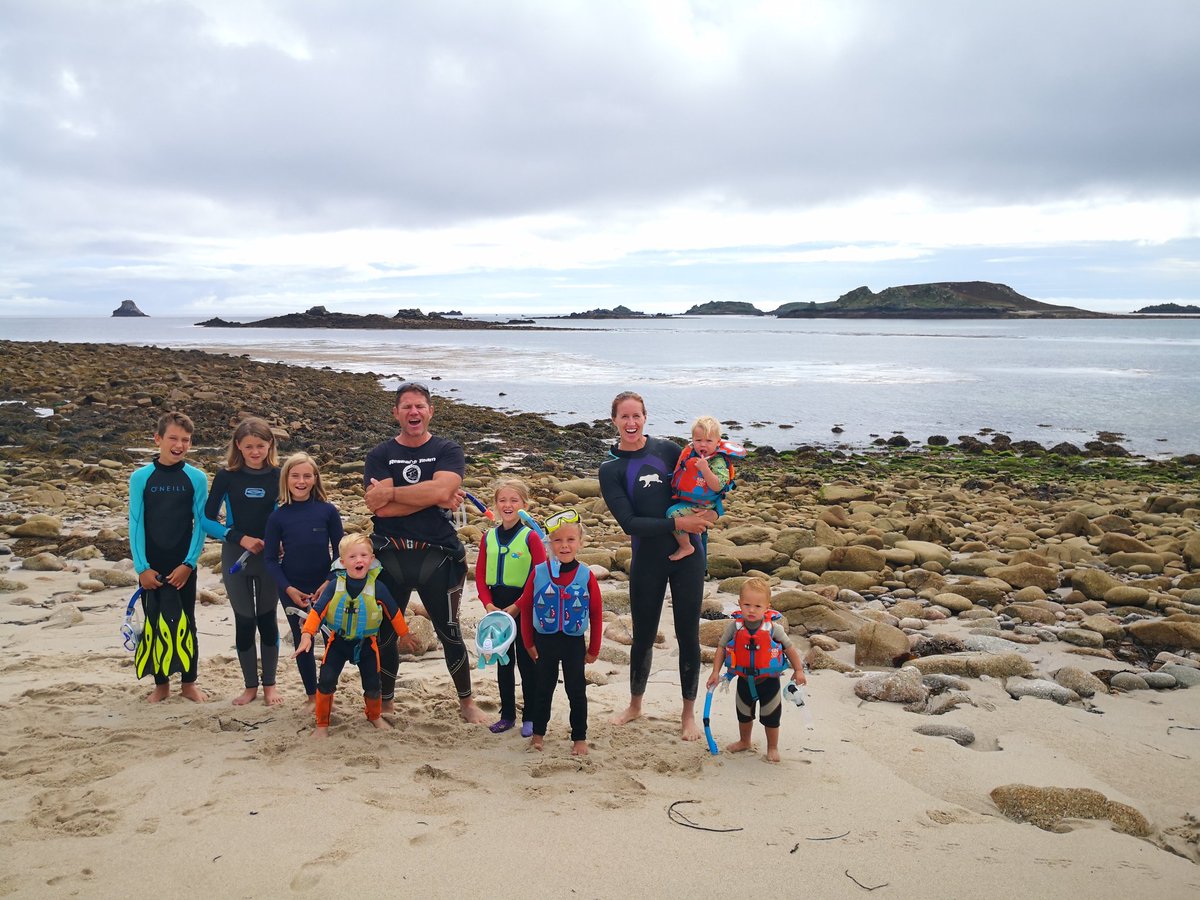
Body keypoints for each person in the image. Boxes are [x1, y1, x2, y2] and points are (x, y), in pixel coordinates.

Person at [363, 382, 487, 723]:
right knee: (385, 633)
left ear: (430, 411)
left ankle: (467, 703)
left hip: (439, 556)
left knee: (450, 631)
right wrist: (433, 495)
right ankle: (386, 703)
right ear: (396, 413)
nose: (413, 412)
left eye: (420, 406)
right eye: (407, 407)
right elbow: (379, 510)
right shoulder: (380, 454)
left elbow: (443, 488)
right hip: (390, 555)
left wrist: (396, 493)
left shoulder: (447, 449)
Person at [598, 391, 712, 740]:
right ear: (614, 420)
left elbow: (697, 488)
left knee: (688, 634)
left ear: (646, 417)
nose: (631, 423)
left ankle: (688, 713)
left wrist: (708, 512)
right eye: (624, 417)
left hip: (690, 555)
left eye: (637, 416)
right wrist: (680, 525)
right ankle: (635, 705)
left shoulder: (668, 450)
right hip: (648, 558)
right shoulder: (610, 470)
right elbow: (630, 523)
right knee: (643, 635)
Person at [294, 534, 417, 737]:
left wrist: (404, 634)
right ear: (342, 562)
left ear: (371, 559)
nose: (359, 560)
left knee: (372, 683)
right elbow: (317, 612)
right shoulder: (335, 586)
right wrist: (307, 634)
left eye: (363, 555)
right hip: (338, 643)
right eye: (352, 557)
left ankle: (374, 716)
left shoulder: (377, 587)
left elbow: (394, 612)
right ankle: (322, 725)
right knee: (326, 680)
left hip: (367, 644)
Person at [127, 411, 208, 703]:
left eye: (185, 440)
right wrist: (142, 568)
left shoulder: (196, 478)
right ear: (158, 439)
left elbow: (200, 524)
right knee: (153, 622)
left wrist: (189, 563)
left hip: (182, 563)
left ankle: (189, 682)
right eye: (173, 438)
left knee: (187, 621)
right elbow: (135, 522)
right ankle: (161, 685)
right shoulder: (141, 477)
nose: (179, 444)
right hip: (152, 564)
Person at [202, 417, 282, 707]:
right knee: (245, 619)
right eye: (249, 446)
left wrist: (280, 541)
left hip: (270, 557)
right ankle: (250, 687)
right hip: (237, 554)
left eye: (261, 445)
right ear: (238, 446)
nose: (255, 451)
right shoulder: (228, 476)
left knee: (267, 618)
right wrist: (239, 537)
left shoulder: (278, 475)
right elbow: (207, 519)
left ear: (270, 444)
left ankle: (270, 685)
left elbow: (289, 514)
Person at [517, 510, 603, 756]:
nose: (564, 546)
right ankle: (538, 735)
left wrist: (594, 648)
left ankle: (579, 737)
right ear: (549, 543)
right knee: (543, 688)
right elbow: (526, 608)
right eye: (558, 540)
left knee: (576, 690)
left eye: (570, 540)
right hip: (545, 641)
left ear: (580, 543)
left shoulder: (586, 575)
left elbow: (596, 613)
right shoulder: (539, 572)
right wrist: (528, 642)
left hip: (574, 643)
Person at [263, 452, 343, 705]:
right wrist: (288, 588)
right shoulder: (278, 516)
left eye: (307, 475)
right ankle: (312, 695)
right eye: (295, 476)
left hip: (325, 586)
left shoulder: (328, 511)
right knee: (302, 640)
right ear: (286, 479)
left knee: (333, 638)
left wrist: (329, 581)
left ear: (315, 478)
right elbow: (270, 560)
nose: (301, 481)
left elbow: (341, 555)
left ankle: (326, 690)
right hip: (292, 588)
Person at [706, 578, 806, 763]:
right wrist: (715, 672)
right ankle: (745, 741)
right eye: (747, 604)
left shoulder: (773, 629)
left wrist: (798, 670)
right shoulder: (735, 627)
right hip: (744, 680)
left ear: (767, 606)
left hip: (769, 683)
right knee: (743, 715)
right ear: (739, 603)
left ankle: (772, 747)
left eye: (757, 606)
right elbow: (721, 647)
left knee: (771, 717)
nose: (751, 610)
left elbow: (790, 648)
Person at [475, 479, 546, 736]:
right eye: (502, 500)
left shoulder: (531, 537)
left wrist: (518, 606)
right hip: (497, 609)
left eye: (514, 500)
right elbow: (480, 576)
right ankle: (507, 715)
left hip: (525, 607)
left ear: (524, 505)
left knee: (528, 664)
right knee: (503, 662)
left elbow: (539, 574)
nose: (507, 505)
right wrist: (488, 604)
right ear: (495, 505)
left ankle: (531, 717)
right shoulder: (488, 538)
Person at [667, 415, 744, 561]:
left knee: (672, 515)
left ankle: (685, 546)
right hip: (688, 498)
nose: (703, 445)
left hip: (704, 504)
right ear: (692, 440)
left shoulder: (718, 461)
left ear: (717, 443)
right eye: (698, 440)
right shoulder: (690, 453)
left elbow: (717, 486)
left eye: (708, 441)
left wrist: (705, 469)